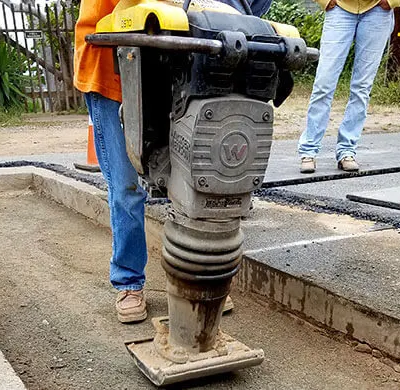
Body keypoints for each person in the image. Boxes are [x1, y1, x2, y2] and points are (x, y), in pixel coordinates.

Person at [74, 0, 271, 323]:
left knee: (183, 176)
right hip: (109, 64)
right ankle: (129, 281)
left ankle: (195, 277)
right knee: (126, 187)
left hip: (166, 63)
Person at [297, 0, 400, 174]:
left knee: (362, 87)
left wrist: (392, 1)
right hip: (340, 9)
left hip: (377, 11)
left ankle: (347, 150)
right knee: (324, 82)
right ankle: (308, 150)